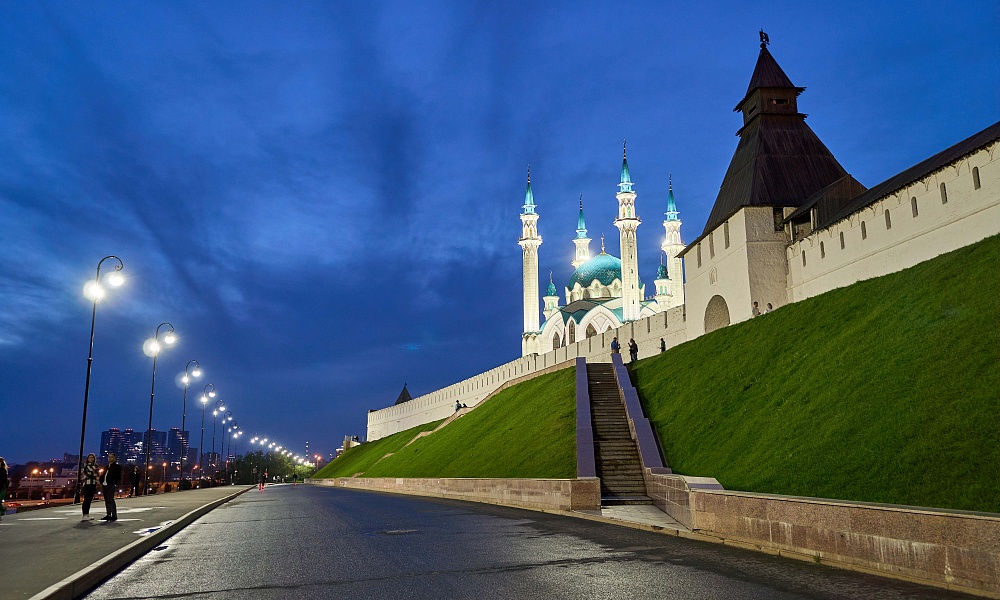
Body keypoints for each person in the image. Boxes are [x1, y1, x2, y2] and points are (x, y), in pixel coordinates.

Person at [101, 453, 121, 522]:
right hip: (105, 485)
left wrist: (115, 483)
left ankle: (114, 515)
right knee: (107, 500)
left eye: (111, 457)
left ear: (114, 458)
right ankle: (108, 514)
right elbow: (103, 475)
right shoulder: (106, 467)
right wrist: (101, 481)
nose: (110, 458)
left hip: (111, 485)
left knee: (111, 499)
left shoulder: (116, 467)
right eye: (109, 457)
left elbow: (118, 476)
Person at [81, 453, 99, 521]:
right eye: (90, 457)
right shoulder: (85, 466)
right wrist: (93, 473)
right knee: (86, 500)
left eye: (92, 457)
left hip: (93, 484)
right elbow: (89, 474)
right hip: (87, 484)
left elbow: (96, 474)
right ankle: (84, 514)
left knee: (89, 500)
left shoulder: (95, 466)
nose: (91, 459)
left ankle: (87, 514)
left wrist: (94, 473)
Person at [0, 457, 8, 522]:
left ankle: (2, 510)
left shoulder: (3, 471)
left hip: (1, 488)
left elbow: (4, 480)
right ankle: (2, 511)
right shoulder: (4, 470)